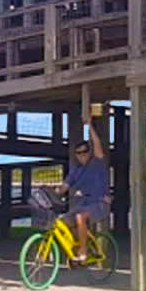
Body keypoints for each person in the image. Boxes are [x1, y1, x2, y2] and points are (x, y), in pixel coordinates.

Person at [57, 111, 110, 263]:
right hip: (84, 204)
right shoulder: (75, 170)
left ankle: (83, 251)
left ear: (89, 153)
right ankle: (75, 245)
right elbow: (65, 186)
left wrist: (90, 126)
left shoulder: (96, 163)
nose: (81, 155)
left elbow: (97, 145)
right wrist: (54, 192)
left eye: (84, 152)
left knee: (80, 218)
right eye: (78, 153)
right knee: (63, 221)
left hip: (100, 203)